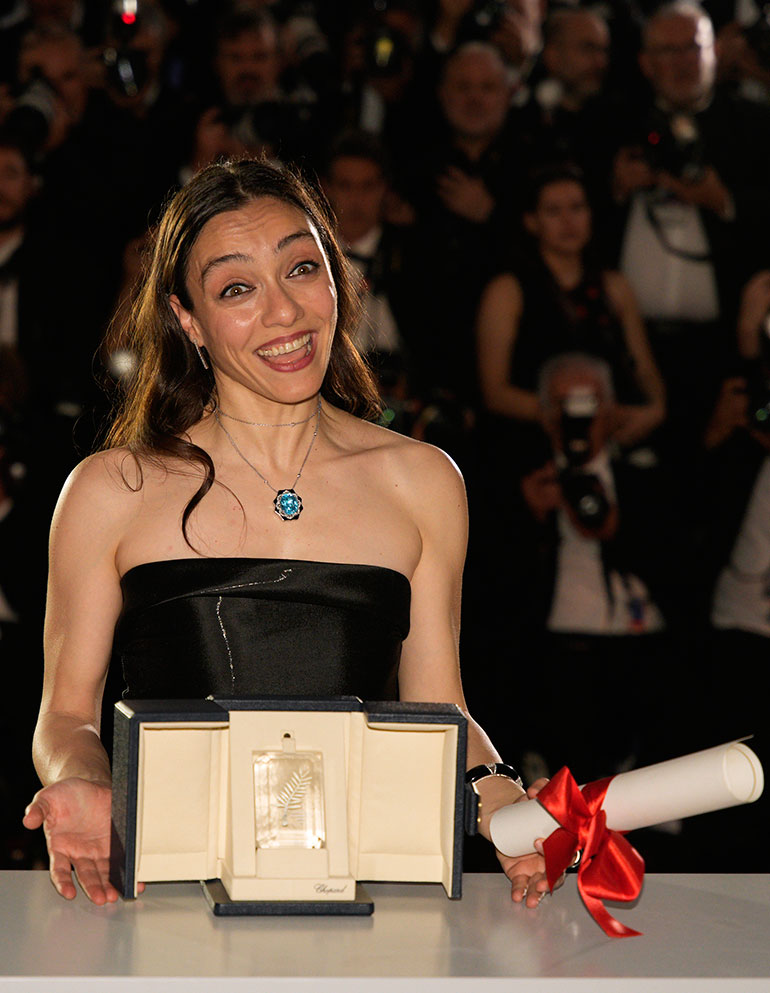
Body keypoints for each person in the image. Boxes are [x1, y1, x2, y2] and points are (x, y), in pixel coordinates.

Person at [22, 157, 555, 908]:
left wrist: (506, 803)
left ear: (338, 277)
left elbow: (441, 713)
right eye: (236, 288)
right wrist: (84, 782)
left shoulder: (423, 480)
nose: (283, 311)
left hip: (364, 896)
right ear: (188, 319)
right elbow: (67, 716)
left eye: (301, 269)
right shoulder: (112, 489)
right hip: (170, 893)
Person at [476, 166, 665, 472]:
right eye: (553, 211)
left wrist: (655, 409)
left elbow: (644, 368)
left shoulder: (614, 286)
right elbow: (495, 392)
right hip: (536, 443)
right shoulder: (508, 290)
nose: (568, 221)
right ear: (532, 221)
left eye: (577, 208)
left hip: (613, 438)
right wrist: (574, 416)